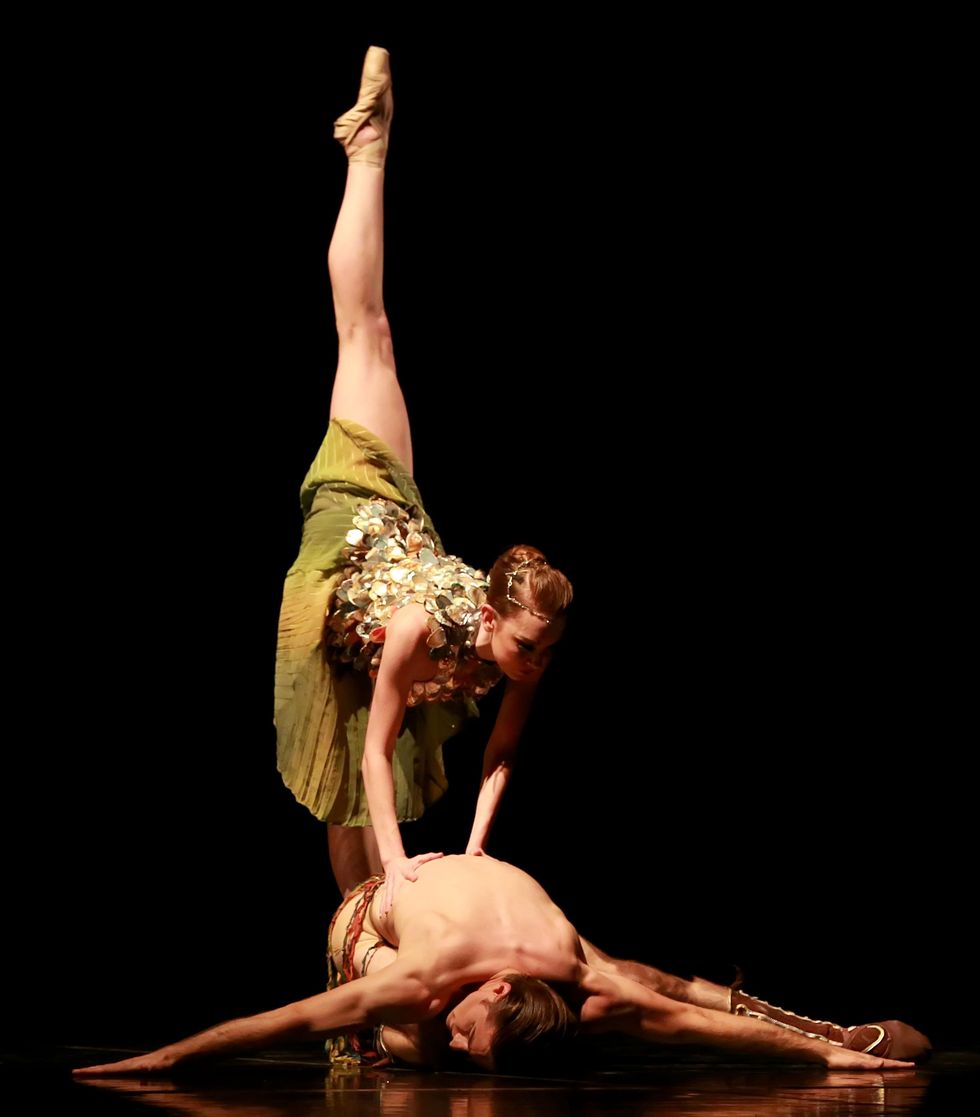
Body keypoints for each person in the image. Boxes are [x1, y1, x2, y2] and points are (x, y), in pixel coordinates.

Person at [275, 44, 573, 908]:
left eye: (548, 652)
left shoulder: (509, 659)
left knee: (351, 815)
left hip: (369, 604)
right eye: (529, 646)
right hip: (361, 528)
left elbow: (503, 753)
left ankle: (359, 979)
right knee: (367, 328)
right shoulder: (423, 629)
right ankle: (367, 148)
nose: (536, 664)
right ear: (490, 611)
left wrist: (476, 851)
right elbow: (377, 751)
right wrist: (408, 867)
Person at [73, 855, 929, 1077]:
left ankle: (808, 1017)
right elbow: (281, 1021)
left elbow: (693, 1022)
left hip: (503, 921)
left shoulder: (562, 962)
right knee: (417, 1049)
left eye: (472, 1035)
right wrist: (171, 1056)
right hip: (371, 915)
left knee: (636, 983)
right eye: (475, 1027)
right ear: (496, 988)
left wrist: (821, 1052)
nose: (460, 1034)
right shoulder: (419, 982)